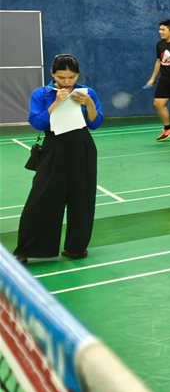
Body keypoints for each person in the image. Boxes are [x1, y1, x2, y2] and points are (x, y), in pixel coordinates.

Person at [14, 54, 104, 265]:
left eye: (71, 77)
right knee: (42, 197)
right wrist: (56, 103)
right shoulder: (41, 94)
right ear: (52, 74)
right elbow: (37, 123)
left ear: (78, 75)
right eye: (61, 77)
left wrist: (90, 104)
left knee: (82, 198)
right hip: (54, 147)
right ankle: (28, 249)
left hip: (82, 147)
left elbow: (95, 123)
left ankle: (76, 248)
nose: (66, 82)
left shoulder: (87, 92)